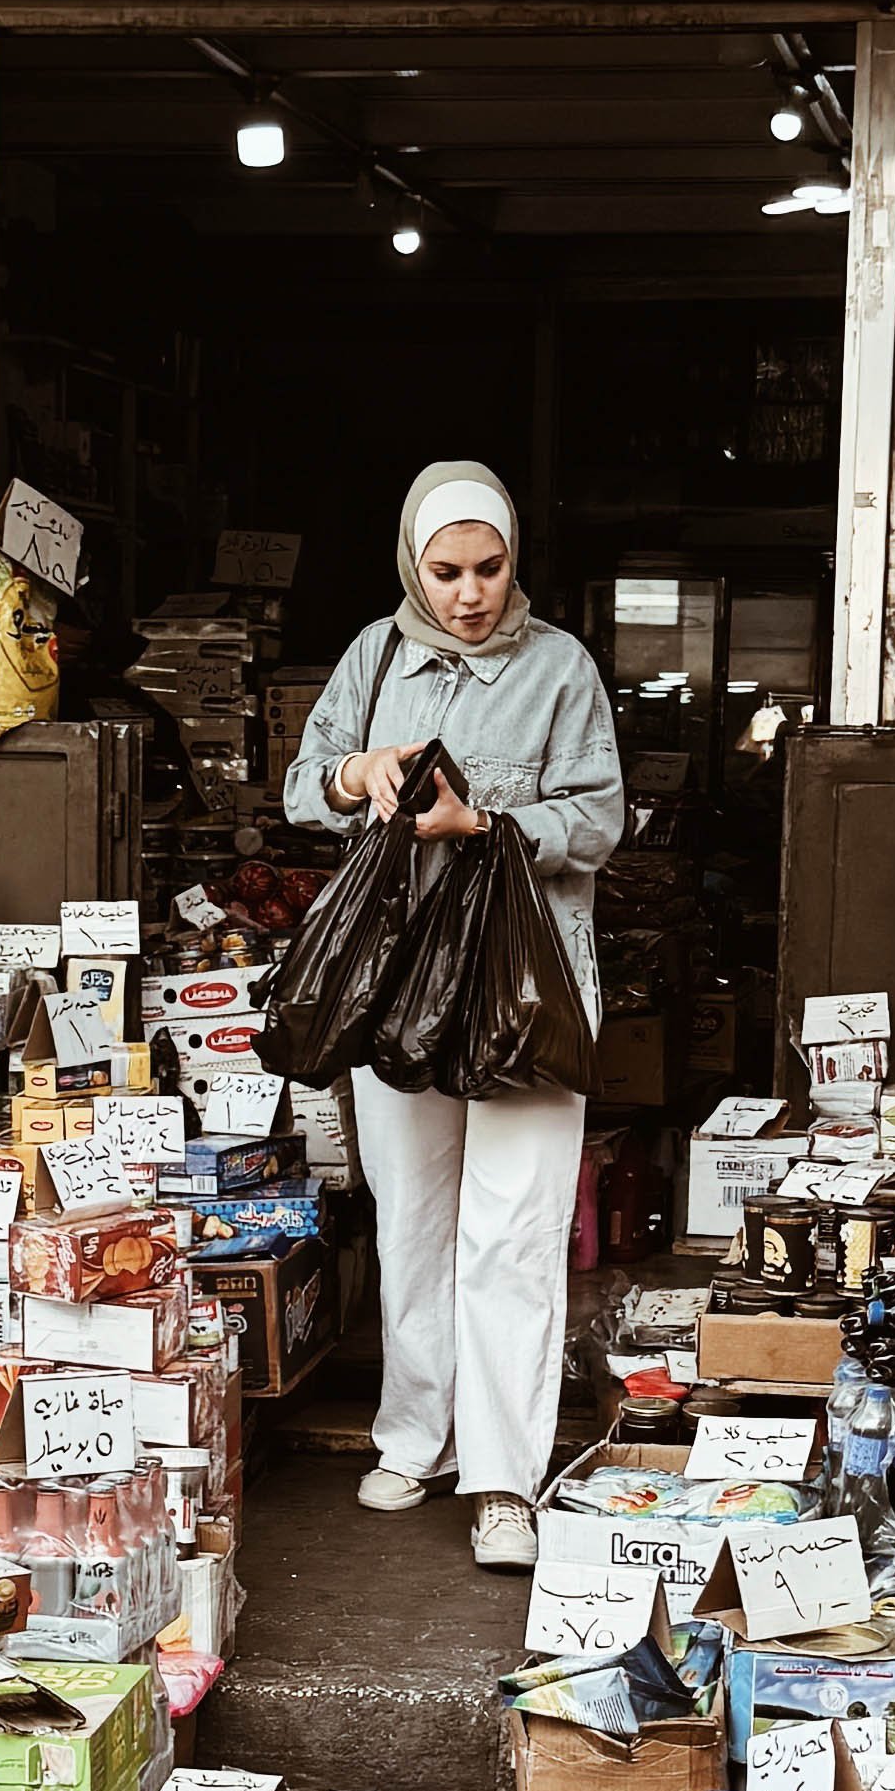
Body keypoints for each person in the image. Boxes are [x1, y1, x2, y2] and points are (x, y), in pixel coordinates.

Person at [283, 461, 624, 1570]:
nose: (469, 593)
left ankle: (503, 1477)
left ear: (513, 561)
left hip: (523, 984)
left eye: (488, 568)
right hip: (395, 986)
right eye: (445, 572)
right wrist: (358, 772)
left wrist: (483, 823)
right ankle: (413, 1437)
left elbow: (600, 819)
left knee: (512, 1232)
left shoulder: (560, 667)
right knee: (413, 1218)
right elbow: (299, 784)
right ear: (412, 567)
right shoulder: (374, 656)